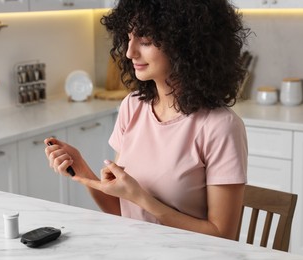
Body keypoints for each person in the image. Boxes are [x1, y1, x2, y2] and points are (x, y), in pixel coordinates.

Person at [45, 0, 249, 240]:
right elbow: (121, 210)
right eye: (128, 37)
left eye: (145, 40)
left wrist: (142, 198)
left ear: (184, 44)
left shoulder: (220, 127)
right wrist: (81, 168)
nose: (130, 52)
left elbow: (222, 235)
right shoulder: (133, 107)